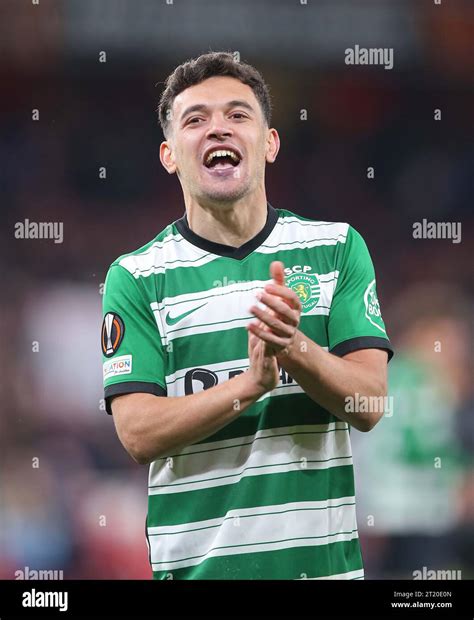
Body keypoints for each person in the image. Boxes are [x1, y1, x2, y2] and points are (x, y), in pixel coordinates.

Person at [101, 51, 393, 580]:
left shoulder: (336, 248)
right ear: (169, 155)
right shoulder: (136, 277)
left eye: (238, 115)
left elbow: (370, 403)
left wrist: (295, 347)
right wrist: (249, 384)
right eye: (196, 120)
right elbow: (137, 434)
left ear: (270, 143)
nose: (218, 129)